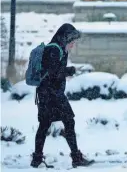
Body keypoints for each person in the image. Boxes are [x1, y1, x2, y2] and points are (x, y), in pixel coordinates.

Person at [31, 23, 94, 168]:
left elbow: (54, 71)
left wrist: (66, 71)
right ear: (65, 38)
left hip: (49, 94)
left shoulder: (59, 48)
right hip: (51, 95)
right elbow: (52, 74)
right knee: (67, 122)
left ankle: (37, 159)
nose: (73, 44)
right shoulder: (54, 49)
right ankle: (75, 158)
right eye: (72, 41)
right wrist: (69, 71)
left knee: (45, 125)